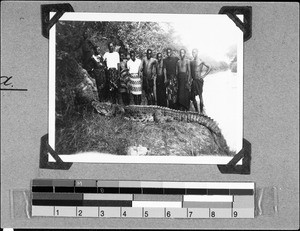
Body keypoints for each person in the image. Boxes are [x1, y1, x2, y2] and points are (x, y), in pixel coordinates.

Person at [190, 48, 211, 114]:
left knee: (200, 96)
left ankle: (201, 112)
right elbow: (191, 71)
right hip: (193, 80)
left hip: (199, 80)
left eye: (195, 52)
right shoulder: (191, 61)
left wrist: (204, 76)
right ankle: (197, 111)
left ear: (197, 53)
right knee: (192, 96)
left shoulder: (201, 60)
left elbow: (210, 67)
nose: (194, 54)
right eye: (193, 52)